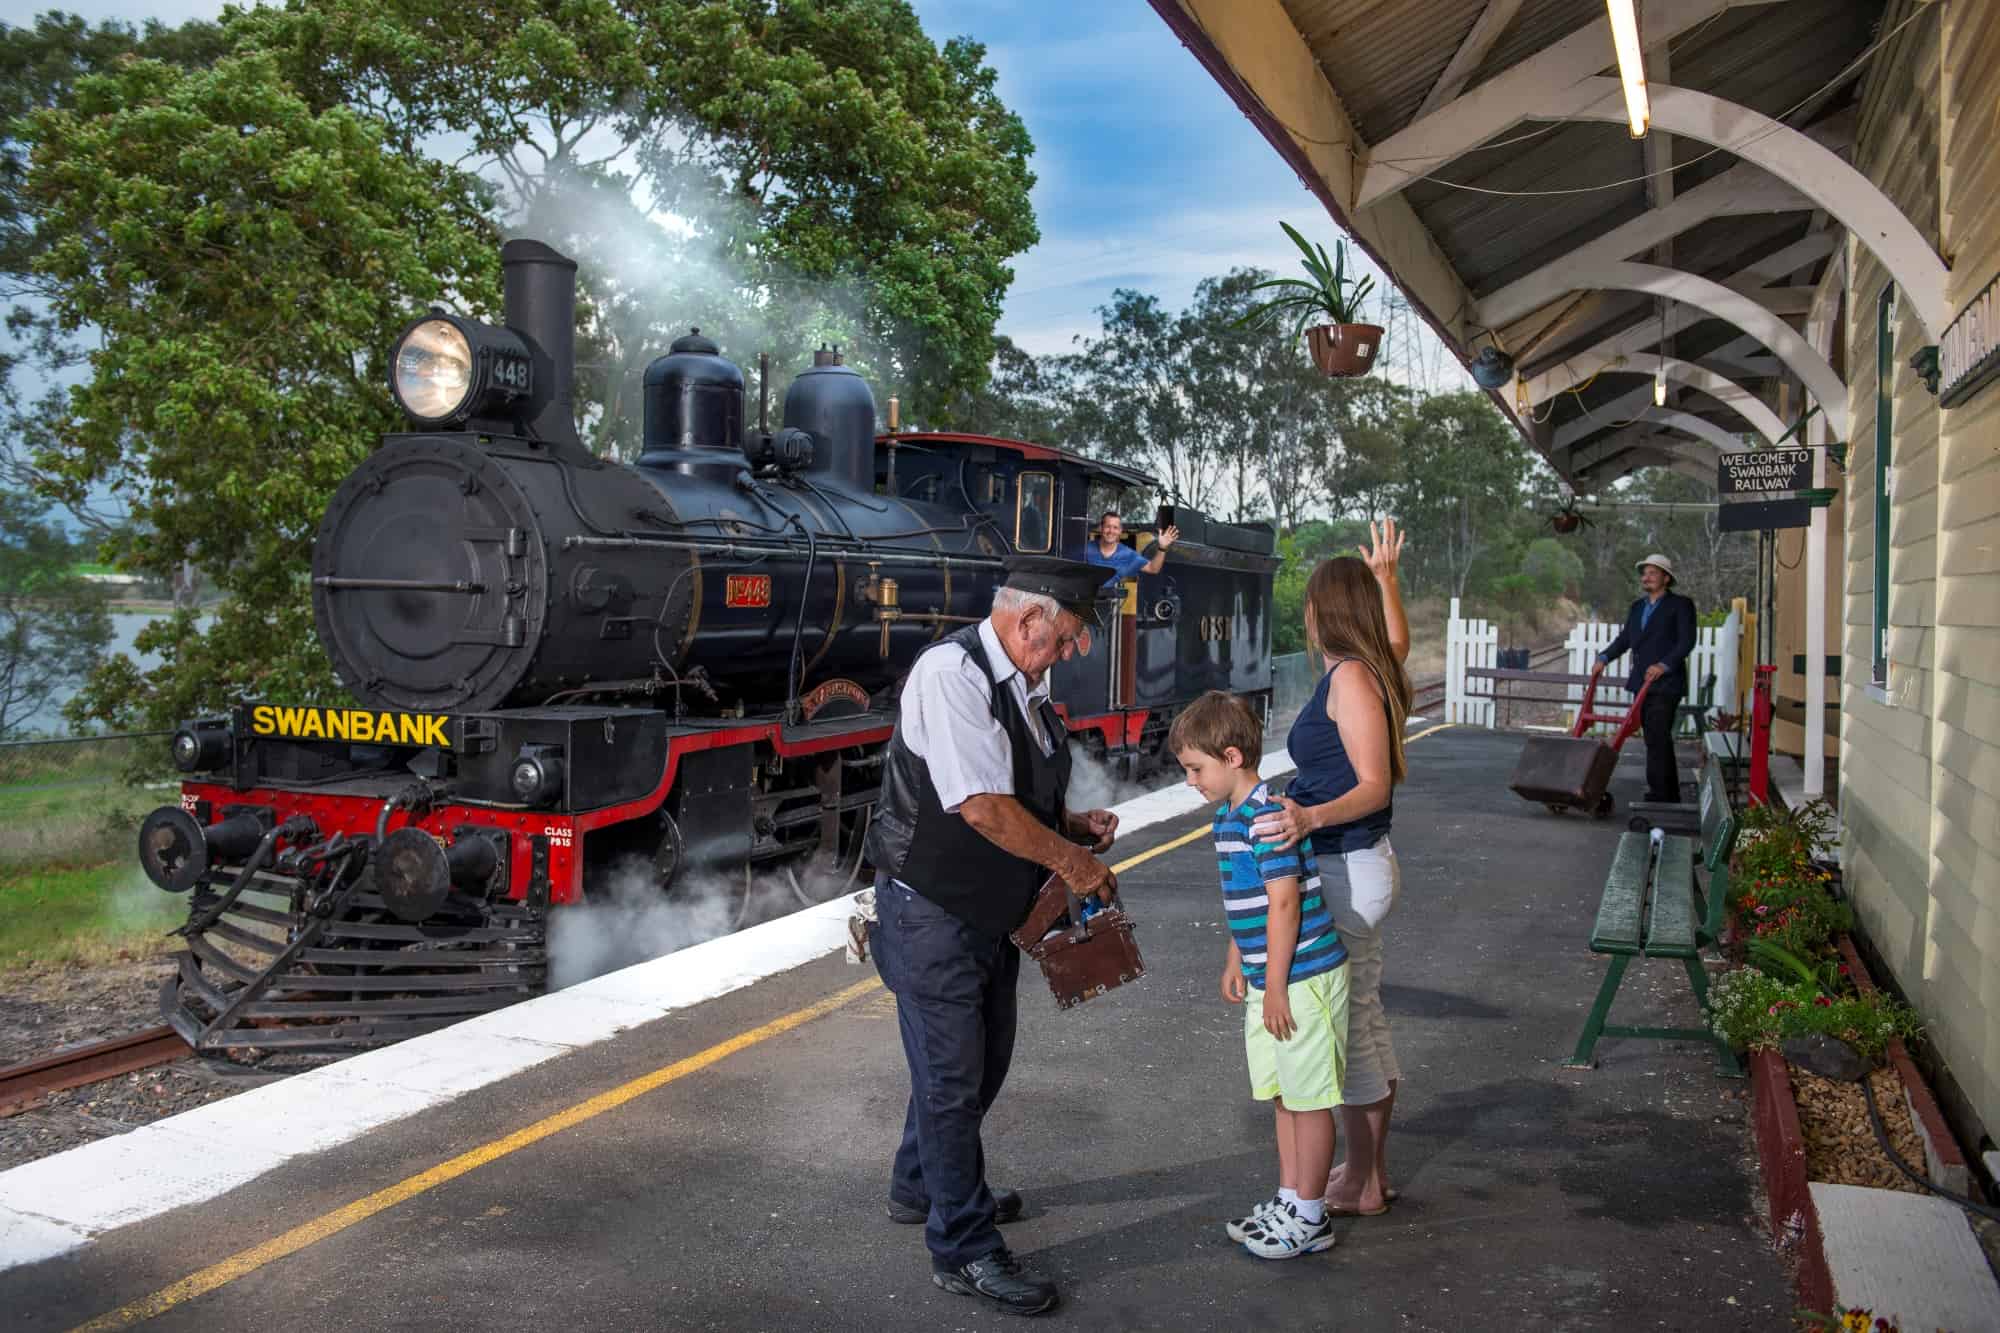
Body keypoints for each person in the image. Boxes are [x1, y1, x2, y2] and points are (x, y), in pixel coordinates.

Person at [863, 554, 1122, 1317]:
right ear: (1029, 618)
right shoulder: (953, 673)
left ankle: (923, 1184)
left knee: (980, 1063)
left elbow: (1015, 790)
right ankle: (964, 1246)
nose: (1073, 651)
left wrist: (1071, 825)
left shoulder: (1026, 682)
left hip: (984, 911)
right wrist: (1071, 861)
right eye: (1069, 635)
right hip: (929, 908)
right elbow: (978, 803)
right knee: (951, 1078)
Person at [1250, 518, 1413, 1218]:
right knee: (1366, 1017)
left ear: (1326, 612)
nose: (1307, 616)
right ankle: (1366, 1172)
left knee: (1347, 1026)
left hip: (1347, 862)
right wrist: (1389, 578)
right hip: (1358, 863)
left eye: (1313, 604)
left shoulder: (1349, 676)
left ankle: (1365, 1181)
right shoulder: (1371, 666)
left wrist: (1308, 816)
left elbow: (1375, 782)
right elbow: (1399, 641)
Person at [1171, 689, 1349, 1260]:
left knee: (1310, 1099)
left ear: (1230, 758)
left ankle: (1312, 1215)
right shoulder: (1229, 817)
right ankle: (1290, 1197)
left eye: (1196, 769)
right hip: (1270, 976)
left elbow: (1285, 904)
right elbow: (1246, 900)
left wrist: (1273, 985)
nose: (1190, 781)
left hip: (1301, 978)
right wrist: (1235, 958)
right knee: (1282, 1095)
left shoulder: (1267, 818)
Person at [1595, 554, 1697, 804]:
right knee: (1653, 737)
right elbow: (1625, 639)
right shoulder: (1637, 607)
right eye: (1645, 573)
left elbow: (1686, 641)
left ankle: (1662, 794)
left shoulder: (1681, 605)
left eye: (1653, 573)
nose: (1646, 577)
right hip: (1642, 681)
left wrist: (1663, 665)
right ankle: (1665, 792)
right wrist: (1605, 657)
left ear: (1666, 578)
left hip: (1666, 683)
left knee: (1658, 735)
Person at [1080, 511, 1180, 589]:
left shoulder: (1127, 555)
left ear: (1120, 531)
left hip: (1104, 603)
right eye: (1107, 526)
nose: (1111, 531)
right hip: (1078, 599)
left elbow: (1153, 569)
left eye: (1115, 527)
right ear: (1101, 528)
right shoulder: (1084, 549)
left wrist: (1162, 547)